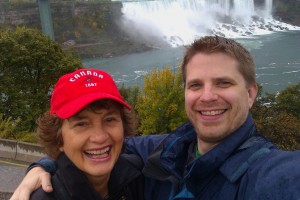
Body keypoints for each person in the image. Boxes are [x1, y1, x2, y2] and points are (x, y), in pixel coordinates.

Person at [11, 36, 300, 200]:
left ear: (251, 94)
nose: (208, 96)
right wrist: (47, 165)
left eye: (224, 83)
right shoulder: (168, 150)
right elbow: (102, 149)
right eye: (196, 85)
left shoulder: (265, 172)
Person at [26, 68, 144, 199]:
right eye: (81, 124)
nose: (100, 137)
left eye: (109, 120)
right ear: (59, 139)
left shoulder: (138, 175)